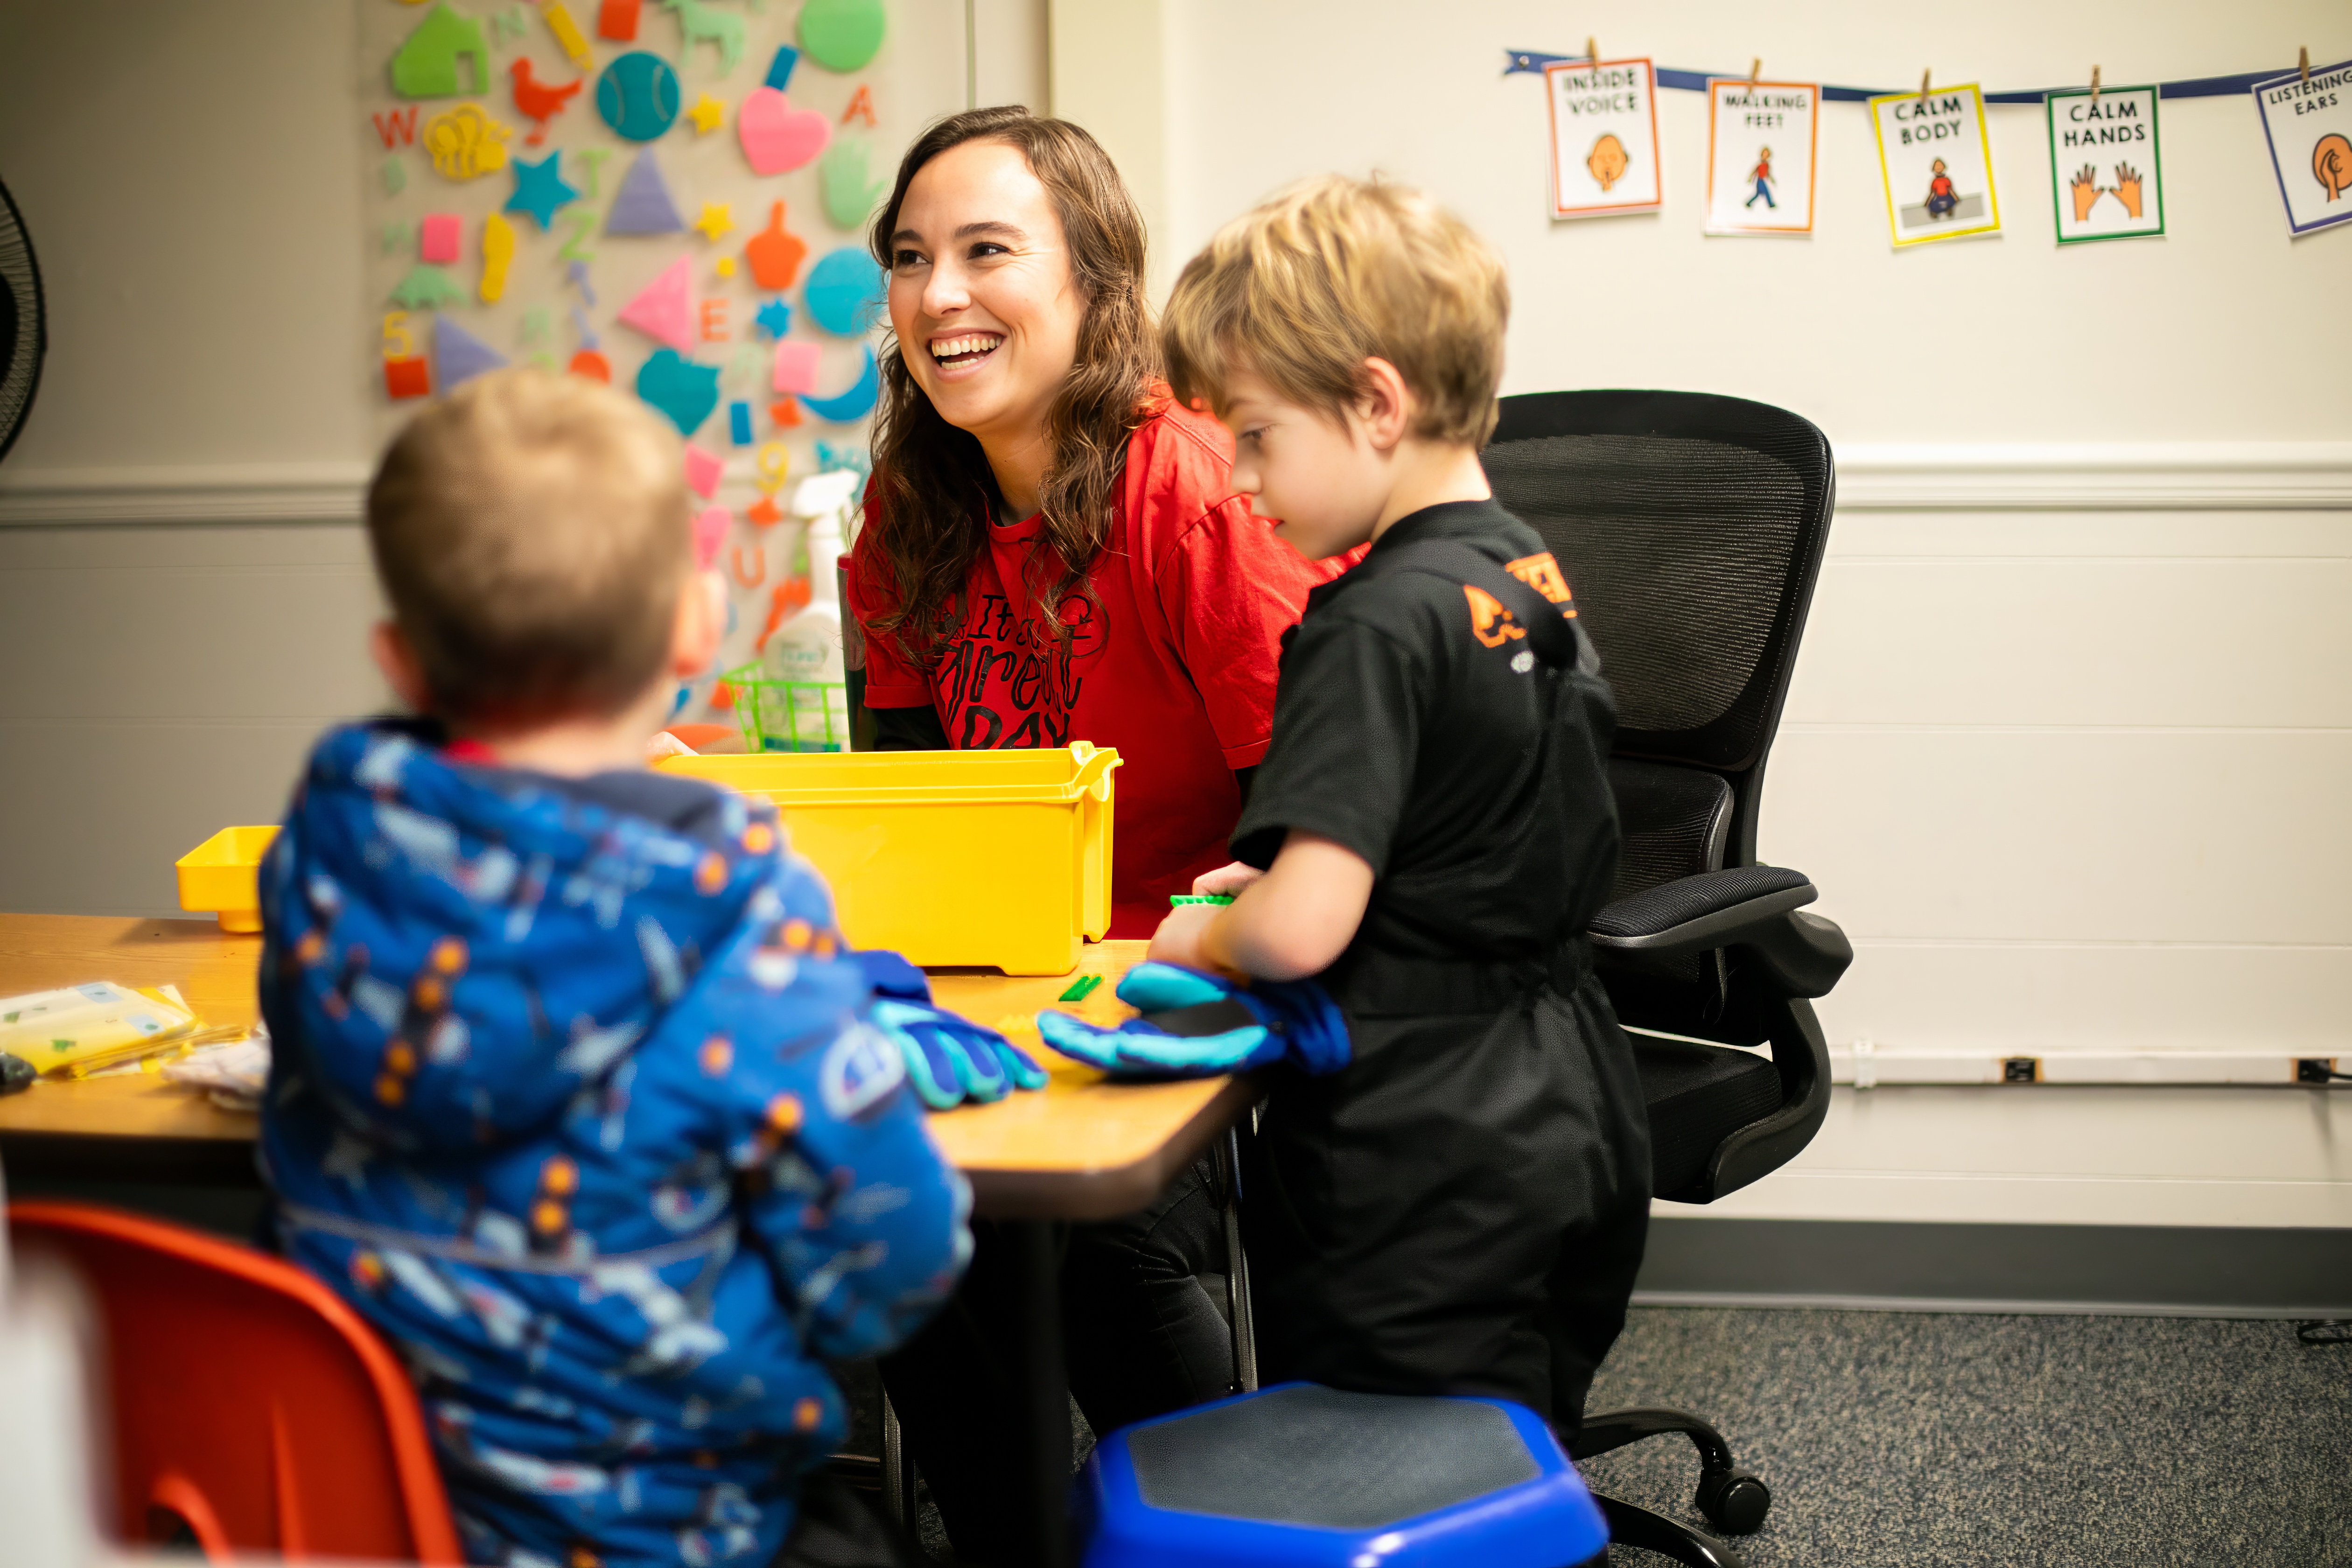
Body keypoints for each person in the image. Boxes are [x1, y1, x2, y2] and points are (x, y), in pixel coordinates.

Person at [257, 370, 971, 1568]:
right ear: (697, 626)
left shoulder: (321, 867)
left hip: (370, 1520)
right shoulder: (739, 914)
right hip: (676, 1530)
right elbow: (893, 1271)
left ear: (399, 657)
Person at [1050, 174, 1652, 1434]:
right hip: (1567, 1107)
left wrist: (1205, 931)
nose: (1242, 480)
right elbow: (1461, 823)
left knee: (1388, 1467)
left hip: (1415, 1142)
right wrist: (1288, 872)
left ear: (1377, 402)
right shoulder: (1525, 573)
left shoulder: (1366, 623)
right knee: (1501, 1447)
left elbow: (1303, 934)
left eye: (1258, 435)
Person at [843, 105, 1346, 938]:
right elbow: (909, 800)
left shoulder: (1207, 491)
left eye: (987, 250)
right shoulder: (906, 499)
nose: (936, 295)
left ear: (1096, 277)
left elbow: (1320, 838)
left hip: (1209, 965)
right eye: (909, 259)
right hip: (1003, 953)